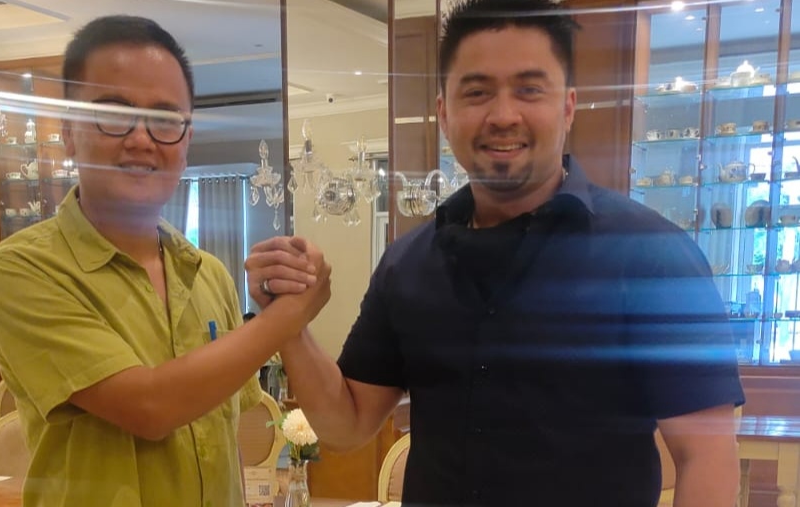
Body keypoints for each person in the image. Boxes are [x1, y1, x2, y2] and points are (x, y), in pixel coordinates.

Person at [245, 0, 744, 505]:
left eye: (529, 89)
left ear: (567, 107)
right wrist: (290, 322)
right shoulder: (408, 264)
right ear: (444, 113)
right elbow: (348, 424)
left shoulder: (653, 257)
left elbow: (705, 457)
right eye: (477, 92)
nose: (503, 116)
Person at [0, 15, 330, 507]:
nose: (141, 139)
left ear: (186, 141)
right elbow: (150, 406)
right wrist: (287, 317)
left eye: (165, 120)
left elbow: (225, 444)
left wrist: (280, 307)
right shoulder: (19, 271)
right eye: (113, 113)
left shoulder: (209, 275)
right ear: (69, 132)